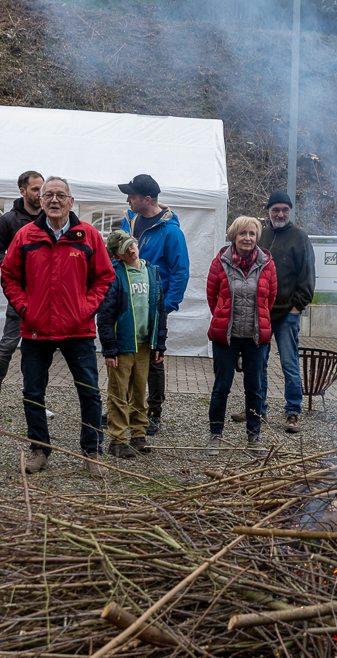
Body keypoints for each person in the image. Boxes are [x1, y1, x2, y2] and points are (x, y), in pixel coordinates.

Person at [1, 176, 114, 475]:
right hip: (36, 329)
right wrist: (26, 308)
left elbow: (104, 277)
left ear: (71, 202)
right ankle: (39, 449)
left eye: (60, 195)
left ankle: (92, 451)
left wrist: (86, 309)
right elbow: (9, 277)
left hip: (78, 329)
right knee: (32, 392)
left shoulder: (87, 236)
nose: (54, 200)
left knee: (89, 391)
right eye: (48, 195)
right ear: (40, 201)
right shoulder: (25, 236)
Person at [231, 190, 316, 434]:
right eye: (276, 209)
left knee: (289, 364)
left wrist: (297, 306)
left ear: (290, 212)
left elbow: (307, 276)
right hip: (262, 313)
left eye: (285, 210)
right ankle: (259, 409)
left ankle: (293, 412)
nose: (280, 213)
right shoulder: (261, 235)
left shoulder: (300, 238)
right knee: (259, 364)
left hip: (287, 314)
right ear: (269, 210)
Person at [119, 174, 190, 435]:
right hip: (127, 303)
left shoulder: (171, 231)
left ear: (146, 199)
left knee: (153, 359)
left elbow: (181, 271)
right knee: (126, 355)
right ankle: (124, 408)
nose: (128, 199)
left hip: (153, 305)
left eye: (132, 196)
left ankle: (153, 413)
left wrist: (167, 306)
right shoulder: (129, 221)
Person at [206, 216, 277, 454]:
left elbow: (270, 299)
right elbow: (212, 296)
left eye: (252, 234)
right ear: (233, 237)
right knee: (221, 387)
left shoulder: (267, 264)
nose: (248, 238)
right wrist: (222, 318)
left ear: (257, 237)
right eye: (242, 234)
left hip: (256, 338)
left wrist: (261, 320)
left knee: (255, 388)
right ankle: (215, 435)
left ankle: (253, 436)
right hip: (226, 337)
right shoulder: (220, 262)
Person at [0, 170, 45, 419]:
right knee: (7, 346)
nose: (40, 194)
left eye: (42, 189)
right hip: (20, 296)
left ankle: (36, 401)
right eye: (35, 189)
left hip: (46, 298)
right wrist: (11, 264)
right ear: (23, 191)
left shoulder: (52, 218)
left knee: (38, 350)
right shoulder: (10, 220)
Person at [97, 230, 167, 459]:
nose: (131, 249)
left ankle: (138, 435)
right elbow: (105, 315)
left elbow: (160, 311)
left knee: (139, 391)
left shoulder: (152, 272)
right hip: (122, 346)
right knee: (118, 393)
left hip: (145, 344)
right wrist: (109, 348)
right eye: (124, 247)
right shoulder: (114, 275)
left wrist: (159, 344)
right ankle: (117, 440)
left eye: (131, 244)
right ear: (116, 256)